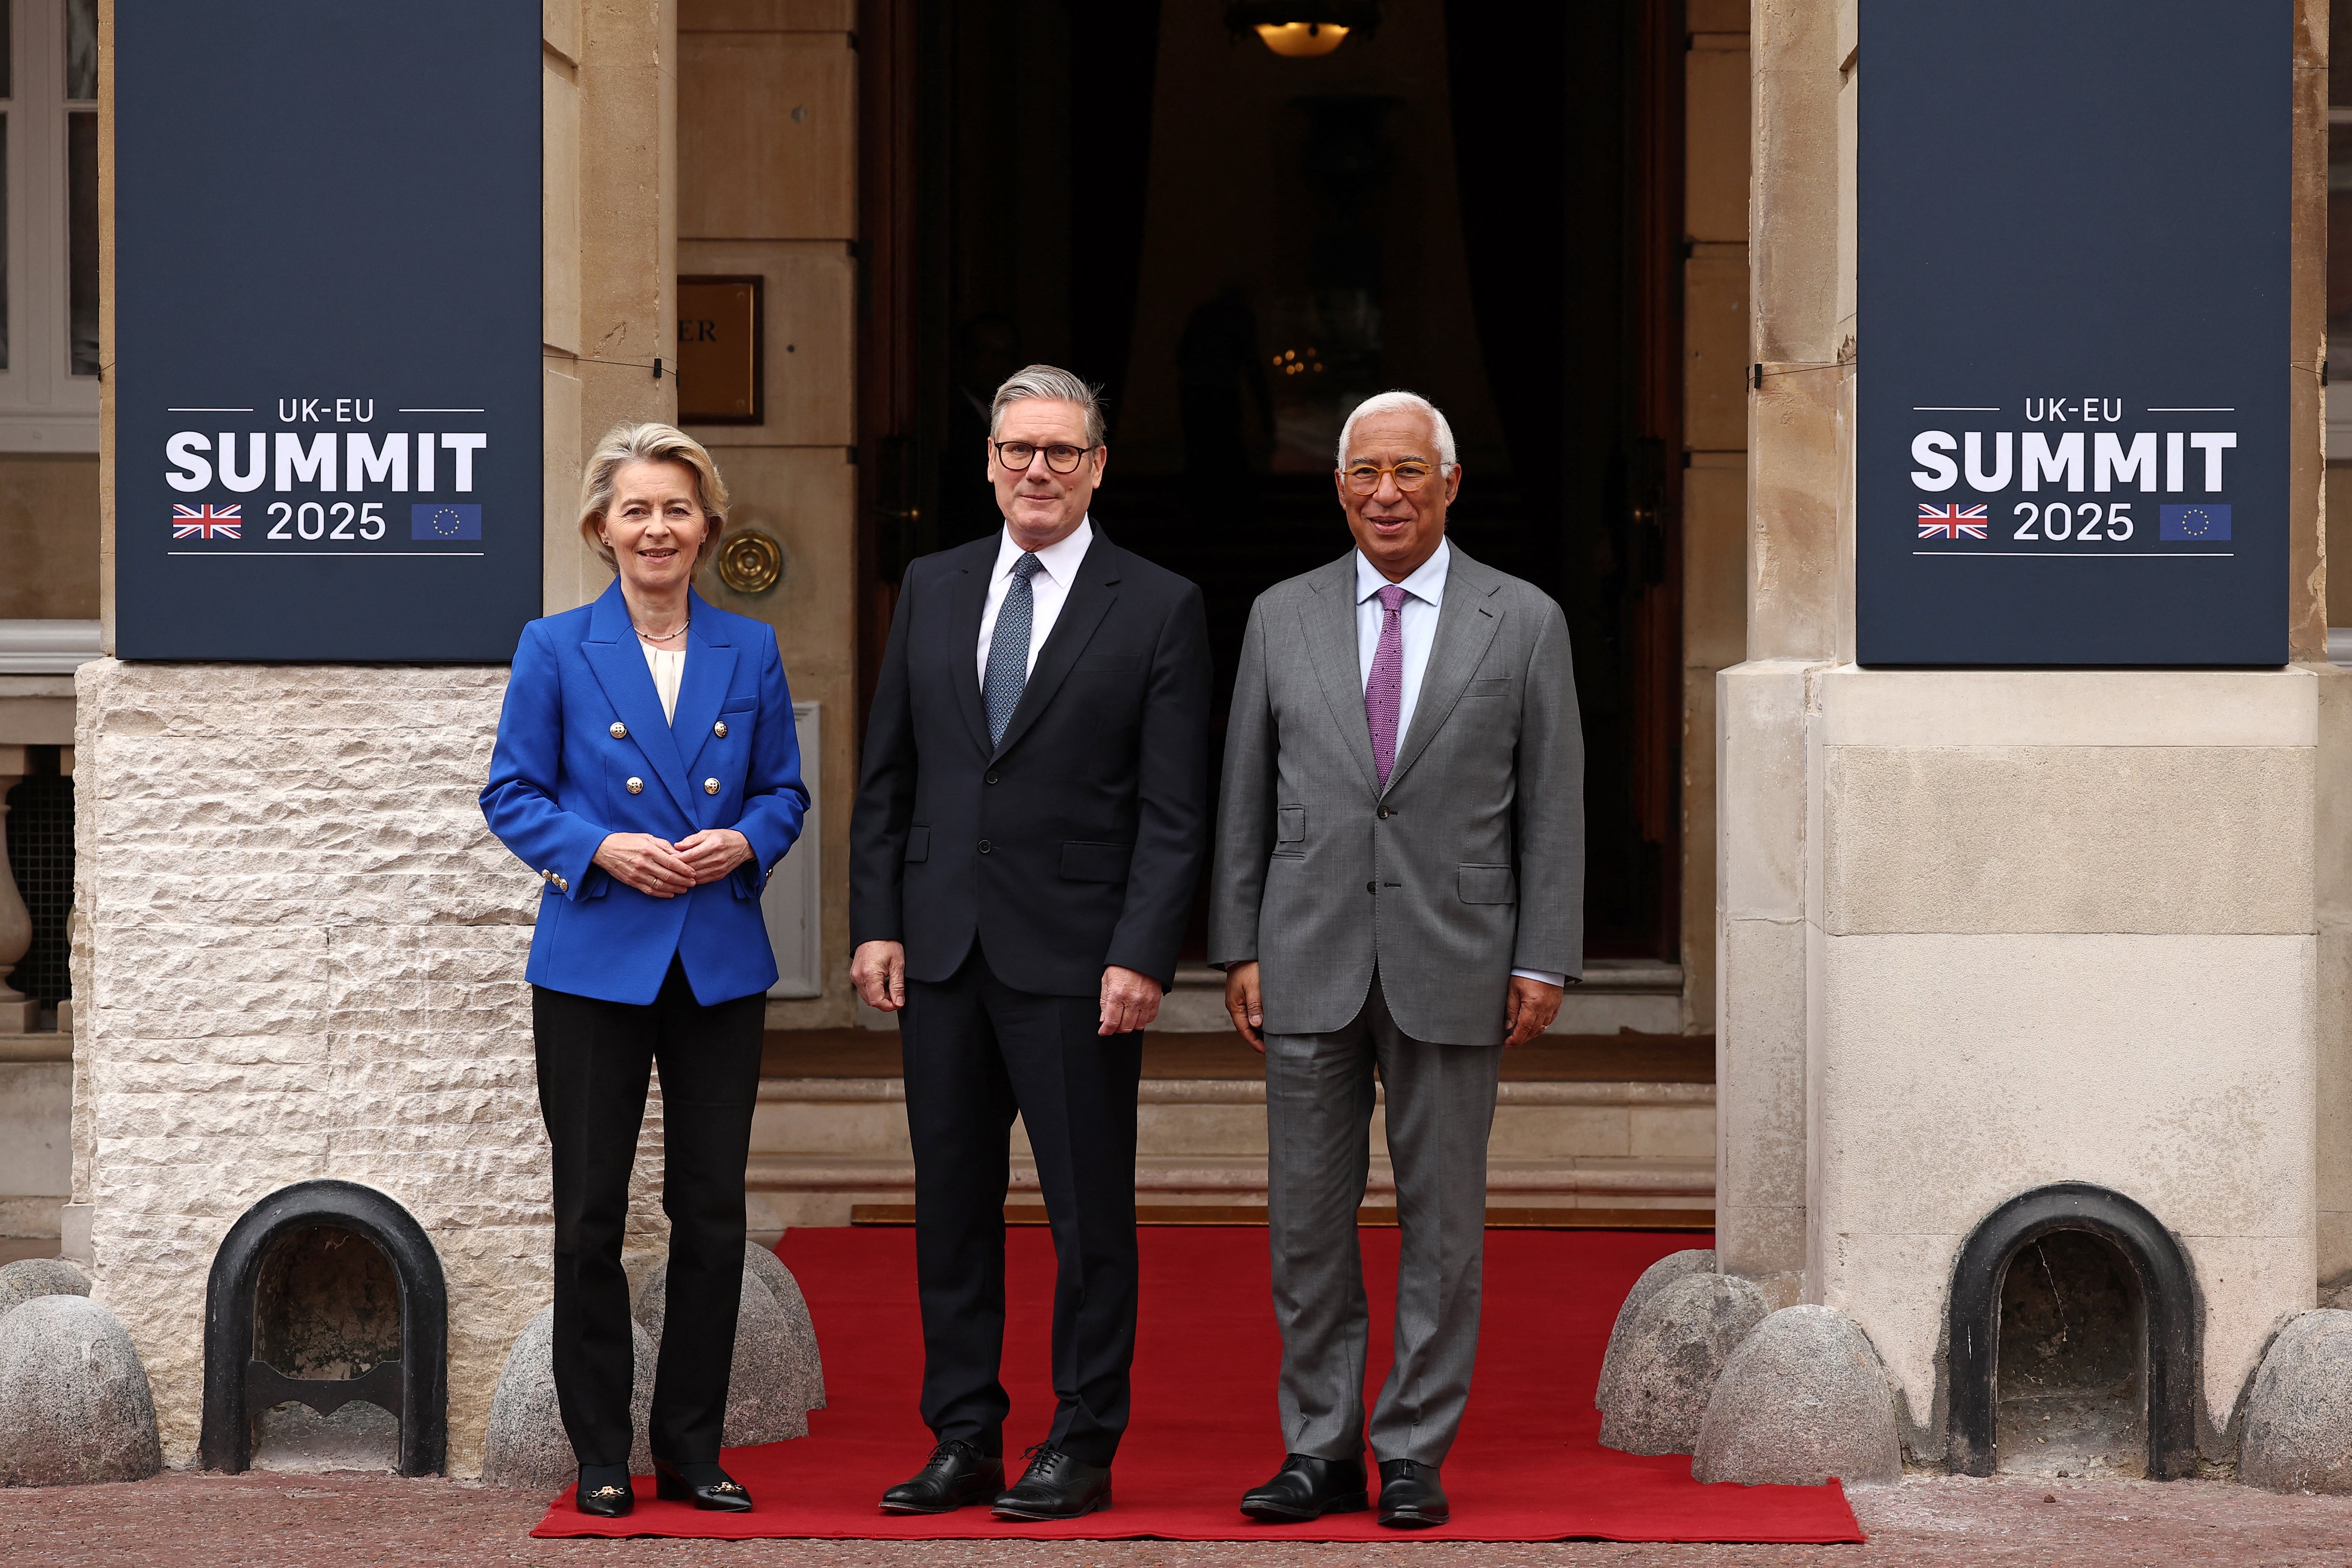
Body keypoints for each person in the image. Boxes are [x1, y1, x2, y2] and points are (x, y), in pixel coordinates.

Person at [1210, 390, 1584, 1529]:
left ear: (1450, 483)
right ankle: (1318, 1446)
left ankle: (1413, 1447)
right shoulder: (1278, 614)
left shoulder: (1524, 619)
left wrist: (1543, 957)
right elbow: (1243, 792)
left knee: (1444, 1225)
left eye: (1409, 471)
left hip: (1458, 957)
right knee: (1304, 1222)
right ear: (1338, 487)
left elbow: (1552, 804)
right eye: (1365, 472)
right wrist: (1237, 942)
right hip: (1305, 952)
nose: (1386, 492)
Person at [849, 364, 1212, 1521]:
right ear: (990, 462)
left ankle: (1081, 1442)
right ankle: (963, 1436)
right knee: (951, 1210)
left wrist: (1143, 950)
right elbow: (889, 772)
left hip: (1079, 960)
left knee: (1087, 1217)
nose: (1037, 469)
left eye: (1061, 451)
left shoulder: (1158, 603)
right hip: (941, 951)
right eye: (1018, 450)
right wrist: (877, 920)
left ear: (1097, 465)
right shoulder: (934, 582)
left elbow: (1174, 808)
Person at [480, 423, 809, 1519]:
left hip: (716, 957)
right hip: (595, 958)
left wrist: (746, 839)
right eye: (637, 509)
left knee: (711, 1212)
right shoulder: (554, 646)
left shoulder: (749, 647)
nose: (657, 527)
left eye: (677, 508)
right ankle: (600, 1451)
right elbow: (512, 793)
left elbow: (784, 790)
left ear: (706, 527)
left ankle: (693, 1447)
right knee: (589, 1213)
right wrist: (600, 847)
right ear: (601, 527)